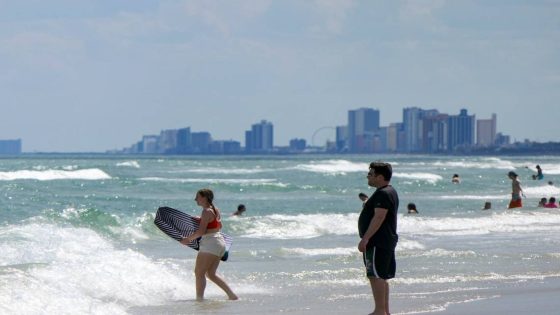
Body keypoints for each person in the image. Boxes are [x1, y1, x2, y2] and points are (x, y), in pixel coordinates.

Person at [180, 189, 238, 301]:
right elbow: (218, 226)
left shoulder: (206, 211)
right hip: (220, 243)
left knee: (199, 273)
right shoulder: (215, 209)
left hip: (210, 244)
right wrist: (202, 220)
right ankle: (232, 296)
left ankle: (199, 299)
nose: (195, 199)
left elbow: (200, 232)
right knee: (211, 274)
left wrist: (187, 239)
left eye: (197, 197)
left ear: (204, 197)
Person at [358, 162, 399, 315]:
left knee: (375, 275)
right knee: (381, 275)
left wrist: (365, 239)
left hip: (377, 242)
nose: (367, 176)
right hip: (385, 240)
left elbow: (379, 217)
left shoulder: (383, 193)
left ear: (380, 177)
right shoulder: (389, 191)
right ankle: (384, 311)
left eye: (370, 174)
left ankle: (379, 311)